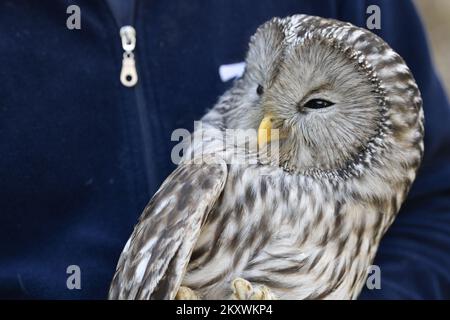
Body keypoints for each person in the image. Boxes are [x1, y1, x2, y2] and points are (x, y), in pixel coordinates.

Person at [0, 0, 449, 299]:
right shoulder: (207, 175)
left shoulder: (360, 204)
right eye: (256, 91)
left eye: (317, 104)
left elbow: (437, 202)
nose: (269, 124)